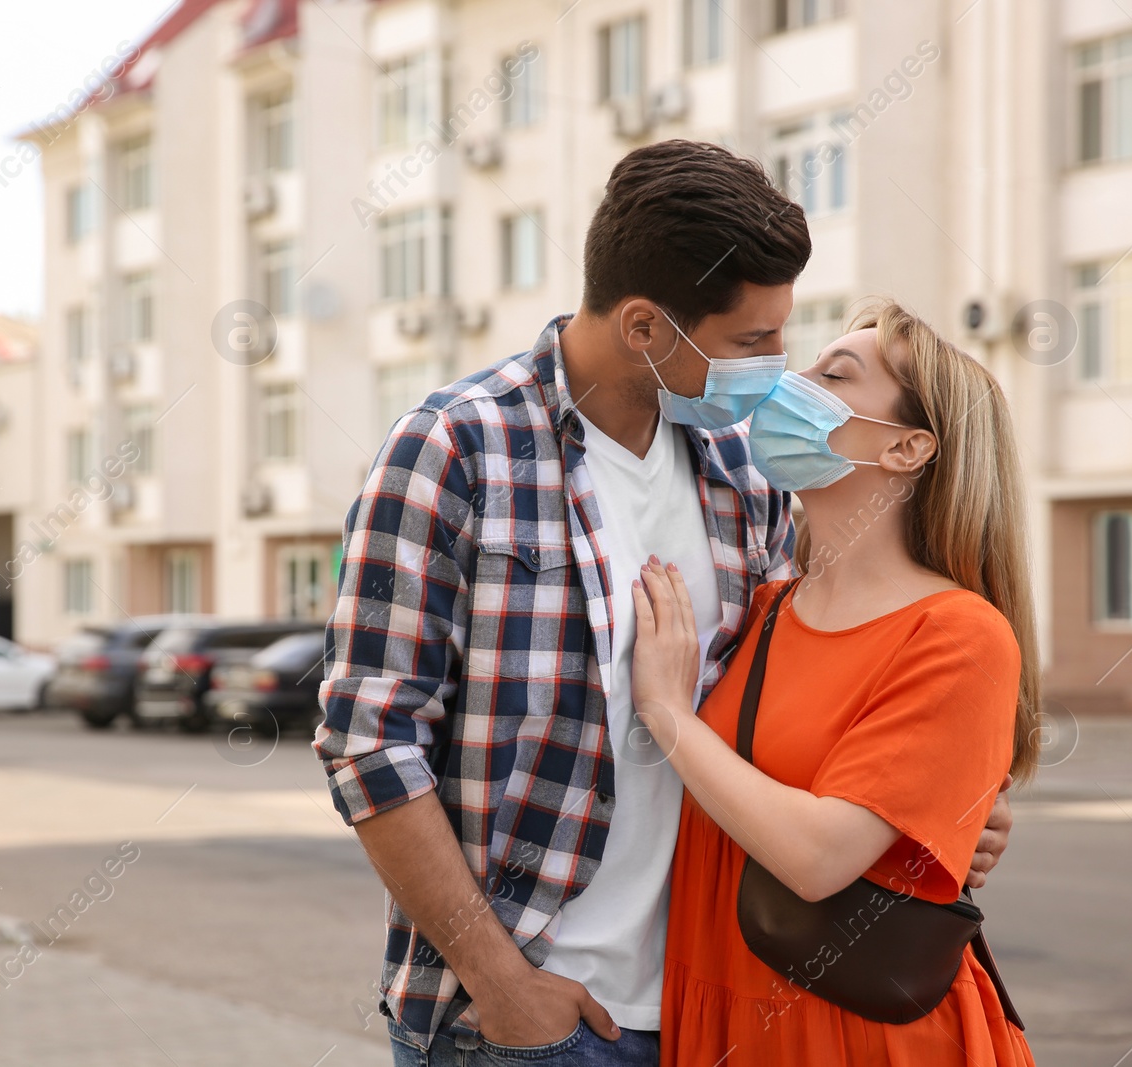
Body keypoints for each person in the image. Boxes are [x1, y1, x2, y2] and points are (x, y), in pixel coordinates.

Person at [314, 140, 1015, 1067]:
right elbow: (369, 739)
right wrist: (502, 982)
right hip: (523, 1027)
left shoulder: (743, 478)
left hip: (708, 1010)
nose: (778, 369)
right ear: (646, 326)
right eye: (752, 343)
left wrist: (927, 809)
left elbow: (807, 705)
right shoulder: (455, 449)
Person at [630, 301, 1038, 1065]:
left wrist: (667, 712)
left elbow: (818, 856)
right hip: (718, 1009)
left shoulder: (958, 632)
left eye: (833, 374)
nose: (793, 382)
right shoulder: (763, 608)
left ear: (907, 447)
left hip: (858, 1036)